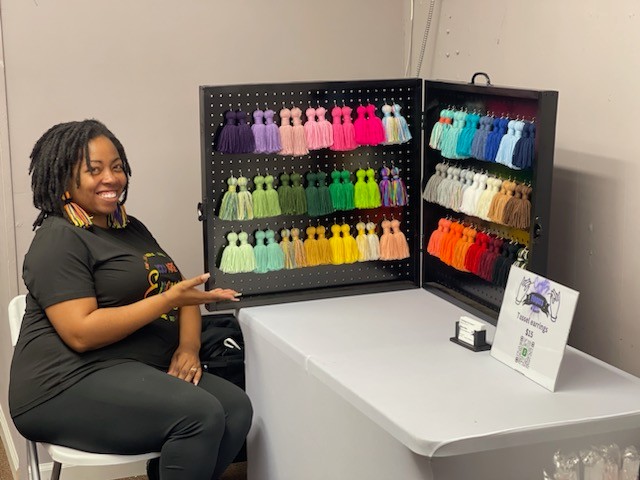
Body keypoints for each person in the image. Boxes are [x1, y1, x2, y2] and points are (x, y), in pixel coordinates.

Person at [8, 119, 253, 480]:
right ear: (63, 178)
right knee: (200, 415)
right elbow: (81, 333)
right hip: (64, 382)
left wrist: (188, 348)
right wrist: (166, 301)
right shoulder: (58, 238)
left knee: (236, 408)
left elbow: (183, 293)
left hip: (136, 367)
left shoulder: (130, 227)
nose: (111, 178)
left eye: (117, 166)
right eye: (94, 170)